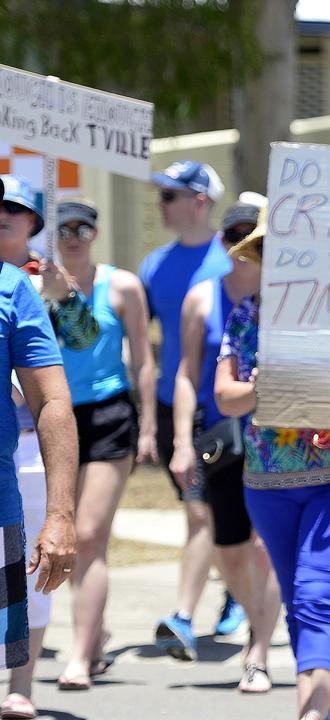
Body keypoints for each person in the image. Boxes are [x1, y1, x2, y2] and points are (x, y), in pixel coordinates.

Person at [214, 217, 330, 720]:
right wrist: (264, 385)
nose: (283, 262)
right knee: (299, 604)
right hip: (267, 487)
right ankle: (323, 712)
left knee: (319, 598)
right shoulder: (246, 315)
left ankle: (310, 715)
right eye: (271, 253)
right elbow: (226, 398)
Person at [42, 199, 157, 692]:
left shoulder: (123, 285)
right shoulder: (31, 286)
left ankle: (80, 654)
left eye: (82, 229)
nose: (72, 237)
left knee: (88, 535)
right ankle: (97, 632)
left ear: (95, 233)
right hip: (56, 415)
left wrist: (149, 426)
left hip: (110, 415)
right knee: (55, 534)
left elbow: (145, 360)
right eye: (64, 229)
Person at [168, 197, 281, 694]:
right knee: (229, 550)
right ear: (221, 240)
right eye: (231, 234)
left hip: (280, 441)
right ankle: (256, 614)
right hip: (221, 437)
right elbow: (188, 375)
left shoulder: (286, 300)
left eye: (248, 235)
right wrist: (180, 441)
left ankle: (258, 647)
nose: (240, 245)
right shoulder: (205, 299)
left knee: (265, 548)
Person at [139, 160, 242, 661]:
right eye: (160, 195)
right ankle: (219, 597)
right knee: (203, 512)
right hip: (177, 410)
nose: (160, 205)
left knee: (212, 515)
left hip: (234, 412)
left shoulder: (232, 259)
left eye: (170, 196)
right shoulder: (153, 266)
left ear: (199, 200)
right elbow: (141, 341)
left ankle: (201, 607)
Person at [0, 176, 82, 719]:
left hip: (41, 443)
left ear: (33, 220)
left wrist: (66, 298)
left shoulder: (42, 280)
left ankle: (20, 679)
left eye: (15, 206)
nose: (4, 213)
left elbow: (90, 346)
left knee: (29, 572)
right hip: (16, 434)